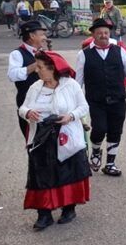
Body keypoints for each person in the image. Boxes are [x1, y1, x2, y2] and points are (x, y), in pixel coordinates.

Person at [18, 51, 91, 230]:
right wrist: (28, 113)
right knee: (41, 175)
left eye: (41, 68)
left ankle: (69, 209)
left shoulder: (71, 85)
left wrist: (71, 116)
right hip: (42, 138)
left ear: (53, 69)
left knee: (68, 172)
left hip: (67, 137)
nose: (37, 71)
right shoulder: (35, 87)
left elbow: (84, 107)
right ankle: (44, 214)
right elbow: (23, 107)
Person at [75, 19, 126, 176]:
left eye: (106, 33)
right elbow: (78, 80)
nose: (103, 35)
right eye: (100, 33)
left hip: (118, 99)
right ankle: (95, 151)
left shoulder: (119, 51)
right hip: (96, 100)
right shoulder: (84, 55)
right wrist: (74, 98)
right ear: (93, 35)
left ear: (109, 34)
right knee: (99, 128)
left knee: (116, 130)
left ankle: (110, 164)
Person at [8, 20, 48, 138]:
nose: (44, 38)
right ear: (31, 36)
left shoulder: (42, 52)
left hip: (46, 104)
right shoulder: (17, 54)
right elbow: (12, 75)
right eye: (41, 35)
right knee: (32, 142)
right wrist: (36, 65)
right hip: (28, 105)